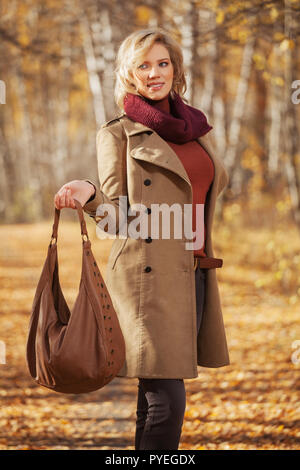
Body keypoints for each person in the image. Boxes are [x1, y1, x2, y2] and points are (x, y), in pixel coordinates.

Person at [54, 27, 230, 451]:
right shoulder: (117, 133)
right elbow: (118, 216)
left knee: (154, 397)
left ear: (175, 68)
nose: (155, 73)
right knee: (167, 399)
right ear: (129, 74)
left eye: (162, 63)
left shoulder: (197, 128)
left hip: (195, 272)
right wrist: (92, 195)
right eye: (143, 65)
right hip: (146, 279)